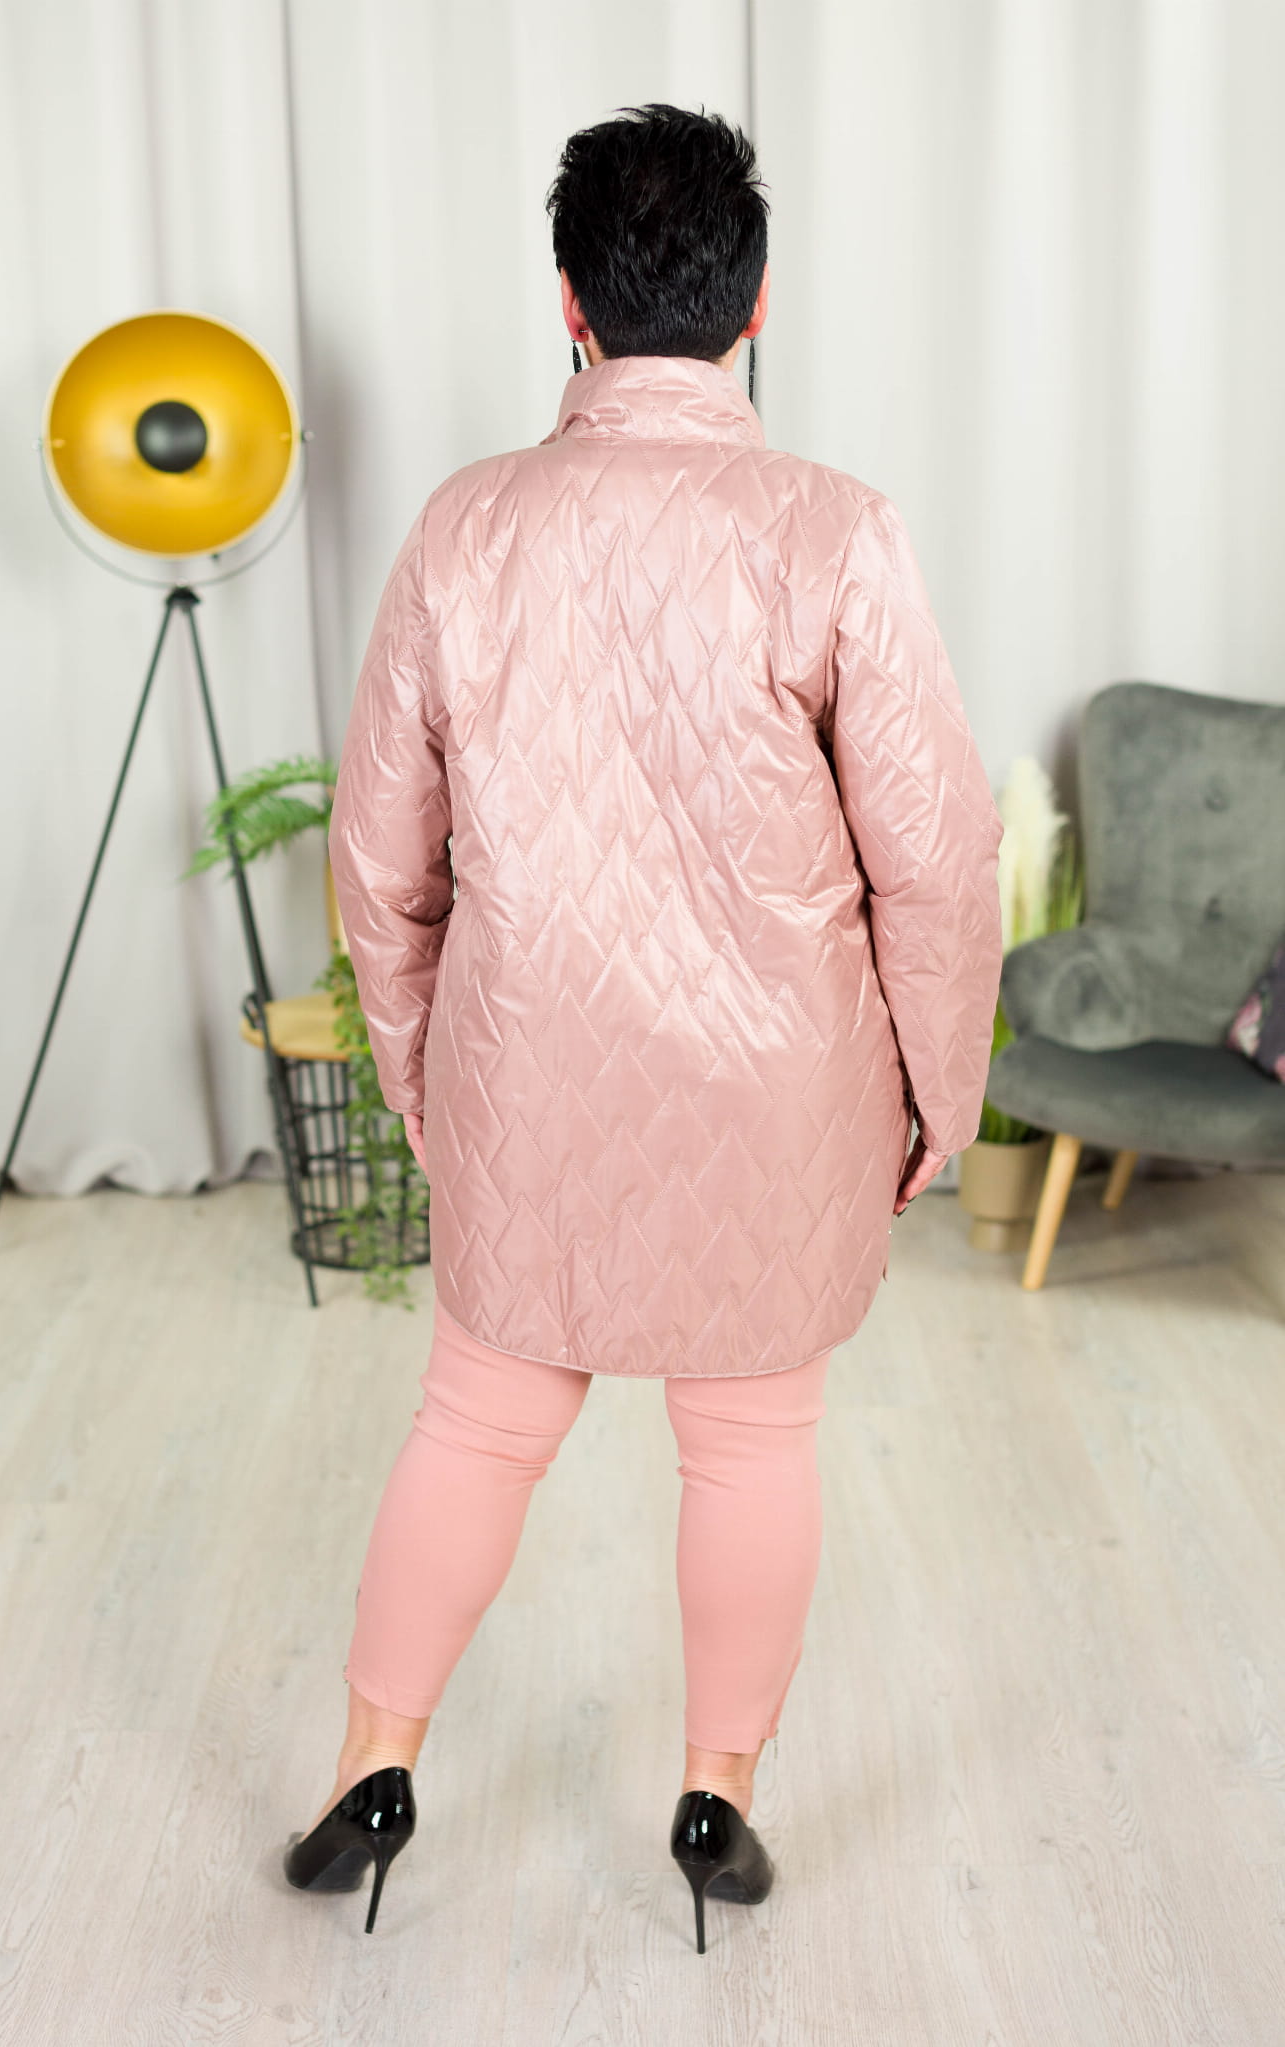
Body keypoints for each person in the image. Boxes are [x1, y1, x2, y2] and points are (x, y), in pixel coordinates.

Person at [284, 103, 1003, 1950]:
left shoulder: (466, 526)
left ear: (570, 302)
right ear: (755, 310)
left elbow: (379, 856)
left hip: (527, 1068)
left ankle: (374, 1768)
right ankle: (714, 1801)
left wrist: (420, 1065)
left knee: (474, 1425)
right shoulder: (834, 531)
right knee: (751, 1446)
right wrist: (942, 1094)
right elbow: (935, 862)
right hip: (778, 1091)